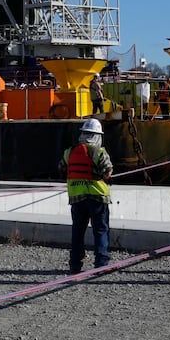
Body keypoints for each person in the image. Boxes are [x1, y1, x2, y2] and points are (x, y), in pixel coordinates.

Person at [60, 117, 114, 274]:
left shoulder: (69, 152)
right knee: (101, 231)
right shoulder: (98, 152)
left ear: (82, 134)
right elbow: (108, 170)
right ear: (98, 136)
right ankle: (101, 264)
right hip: (98, 197)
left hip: (77, 199)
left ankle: (75, 265)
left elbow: (61, 169)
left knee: (77, 232)